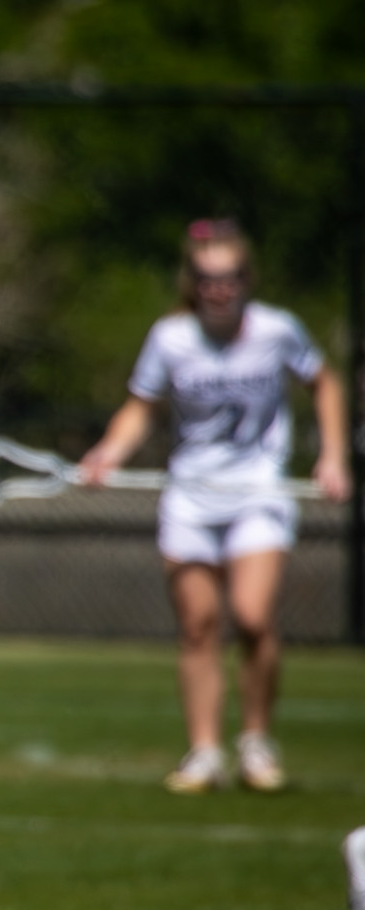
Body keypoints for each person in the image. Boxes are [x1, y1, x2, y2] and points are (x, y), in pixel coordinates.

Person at [81, 219, 351, 794]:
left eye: (229, 278)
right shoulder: (171, 339)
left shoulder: (278, 330)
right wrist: (108, 453)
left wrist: (332, 457)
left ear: (247, 278)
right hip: (191, 495)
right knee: (198, 626)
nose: (219, 289)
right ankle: (204, 750)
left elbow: (324, 383)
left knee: (252, 617)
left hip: (259, 491)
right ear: (192, 282)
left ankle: (256, 742)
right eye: (207, 279)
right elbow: (141, 406)